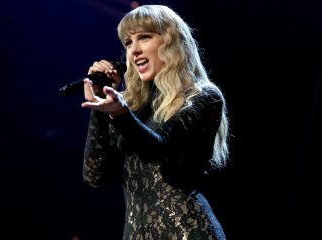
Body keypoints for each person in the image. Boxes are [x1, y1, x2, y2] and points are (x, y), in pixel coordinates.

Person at [81, 4, 229, 240]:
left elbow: (157, 148)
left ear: (171, 42)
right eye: (128, 43)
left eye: (144, 37)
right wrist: (100, 104)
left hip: (185, 231)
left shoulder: (202, 97)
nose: (134, 50)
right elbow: (94, 175)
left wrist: (120, 114)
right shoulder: (133, 108)